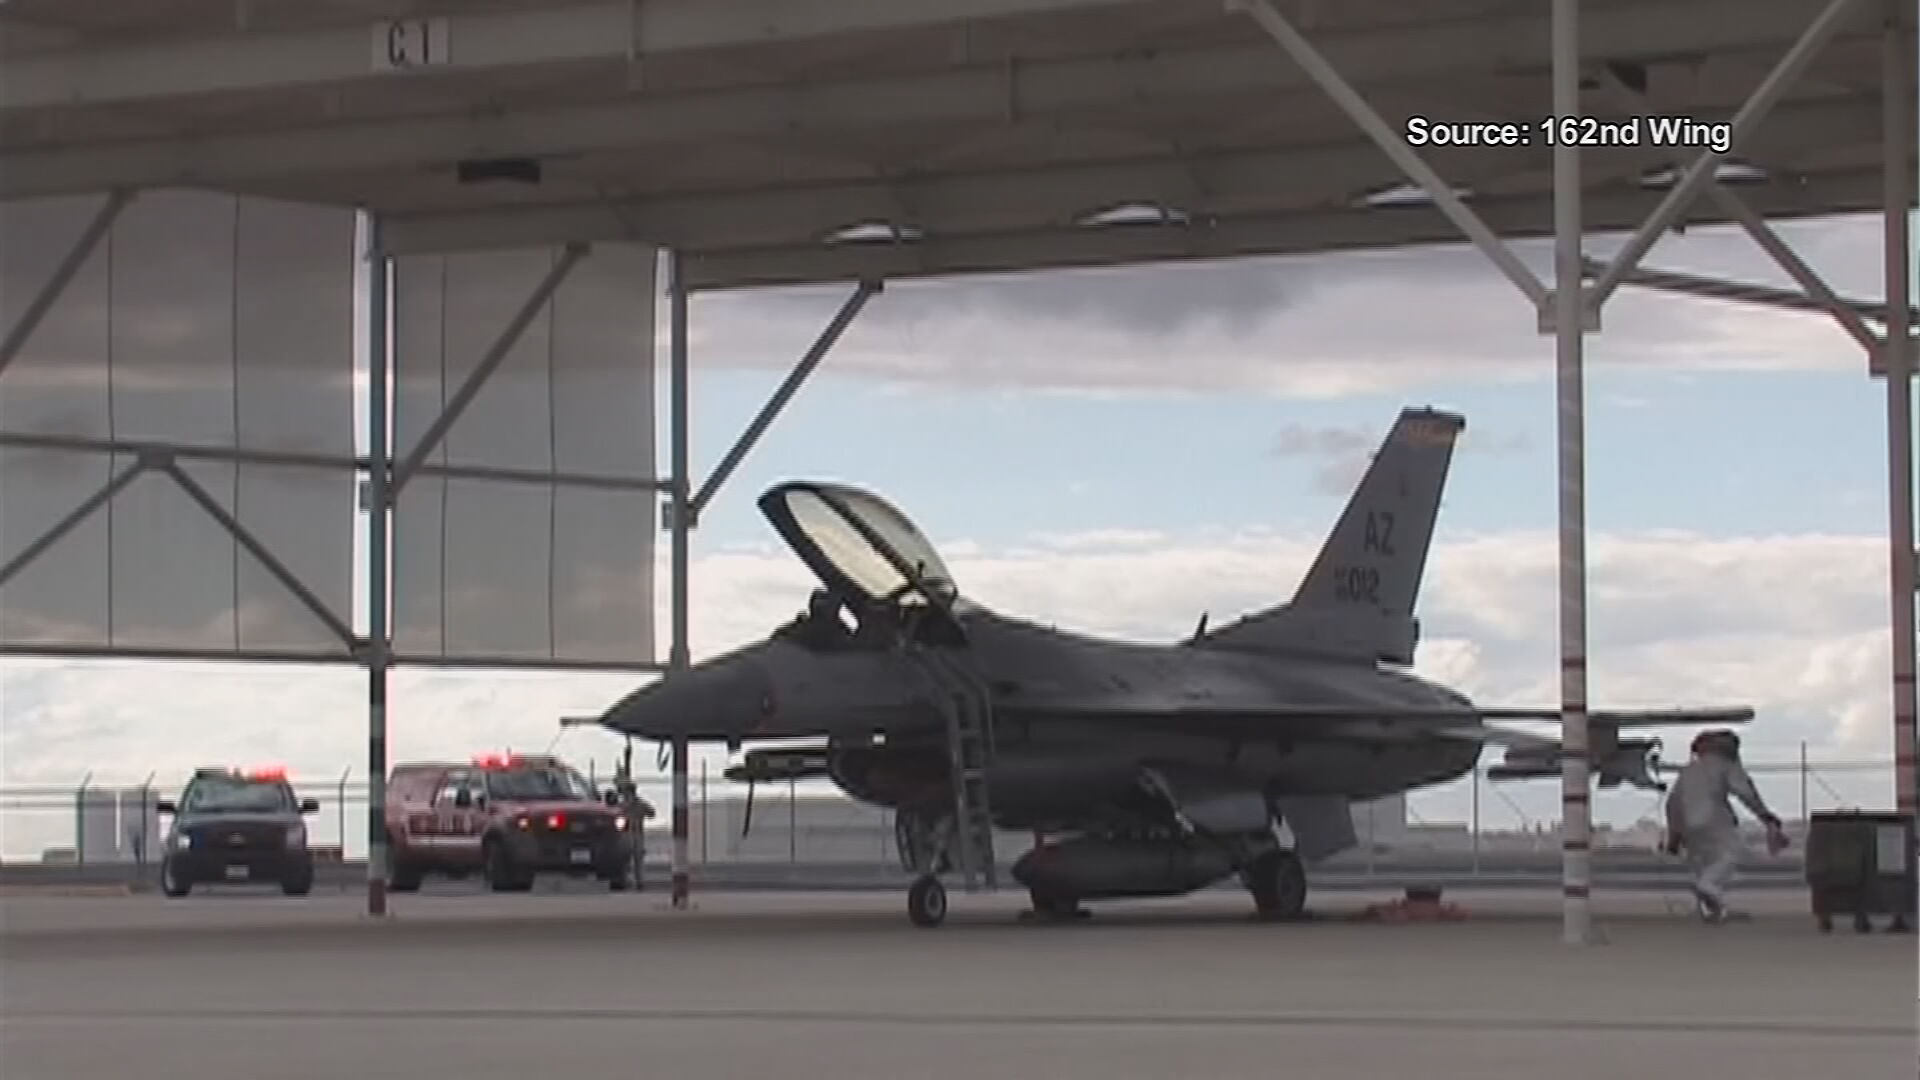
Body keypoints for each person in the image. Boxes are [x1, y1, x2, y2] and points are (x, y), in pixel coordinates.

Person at [1663, 729, 1788, 923]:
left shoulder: (1688, 771)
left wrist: (1674, 833)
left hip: (1688, 823)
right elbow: (1745, 792)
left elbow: (1672, 804)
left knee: (1703, 863)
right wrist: (1765, 815)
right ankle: (1709, 888)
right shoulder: (1726, 765)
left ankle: (1713, 910)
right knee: (1731, 853)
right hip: (1714, 817)